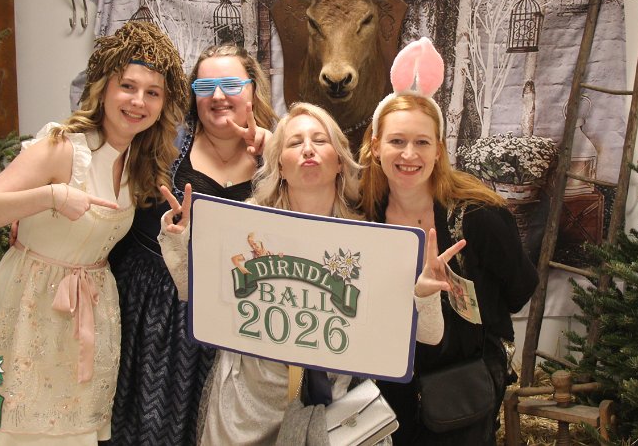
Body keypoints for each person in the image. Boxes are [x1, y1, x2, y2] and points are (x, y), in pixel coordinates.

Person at [158, 102, 464, 446]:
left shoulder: (368, 237)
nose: (307, 149)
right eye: (294, 142)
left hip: (335, 413)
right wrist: (180, 241)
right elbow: (194, 296)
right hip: (247, 408)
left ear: (339, 161)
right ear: (279, 165)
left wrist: (424, 294)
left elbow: (429, 336)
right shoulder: (245, 223)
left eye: (320, 140)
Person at [0, 20, 187, 445]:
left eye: (152, 93)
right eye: (128, 87)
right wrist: (52, 196)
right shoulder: (62, 147)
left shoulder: (140, 162)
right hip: (27, 309)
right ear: (104, 88)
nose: (138, 101)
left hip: (90, 316)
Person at [359, 37, 540, 445]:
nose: (409, 154)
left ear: (439, 150)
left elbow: (519, 289)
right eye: (397, 141)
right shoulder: (363, 213)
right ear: (376, 145)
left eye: (422, 142)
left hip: (463, 383)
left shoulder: (478, 217)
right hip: (389, 381)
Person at [108, 43, 276, 446]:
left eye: (231, 85)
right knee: (152, 428)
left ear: (253, 91)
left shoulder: (282, 152)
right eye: (205, 87)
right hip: (156, 308)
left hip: (239, 314)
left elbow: (334, 199)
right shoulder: (159, 141)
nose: (218, 96)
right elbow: (92, 166)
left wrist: (276, 150)